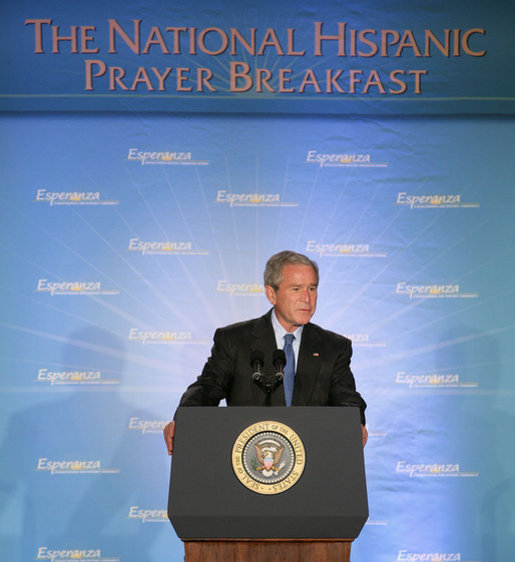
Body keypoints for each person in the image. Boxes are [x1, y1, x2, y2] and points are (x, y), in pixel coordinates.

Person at [163, 250, 367, 454]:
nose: (307, 298)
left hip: (312, 460)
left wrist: (354, 423)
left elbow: (346, 399)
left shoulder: (333, 347)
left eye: (312, 288)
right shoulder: (234, 340)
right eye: (296, 289)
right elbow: (207, 388)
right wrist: (184, 419)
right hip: (248, 461)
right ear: (272, 294)